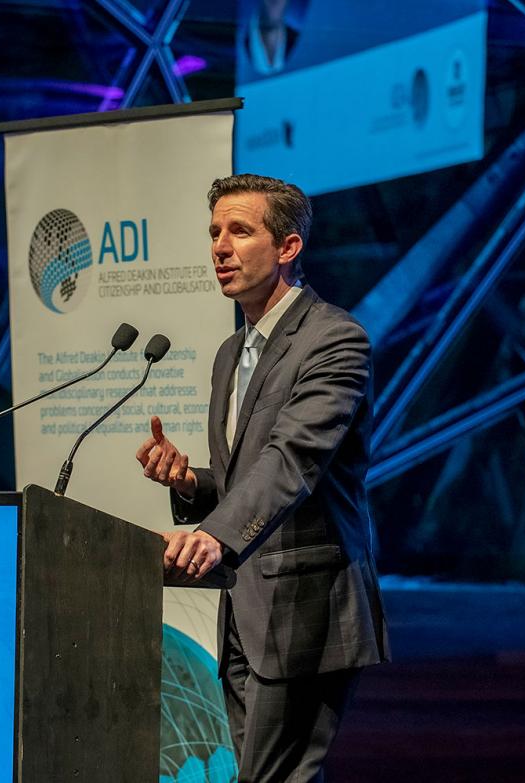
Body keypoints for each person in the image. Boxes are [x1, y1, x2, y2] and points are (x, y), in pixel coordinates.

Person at [135, 174, 389, 781]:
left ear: (288, 248)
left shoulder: (335, 340)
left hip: (308, 605)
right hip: (246, 612)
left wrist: (214, 536)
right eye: (214, 233)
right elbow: (242, 476)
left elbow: (293, 460)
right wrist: (191, 484)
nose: (220, 247)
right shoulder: (231, 353)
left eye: (240, 231)